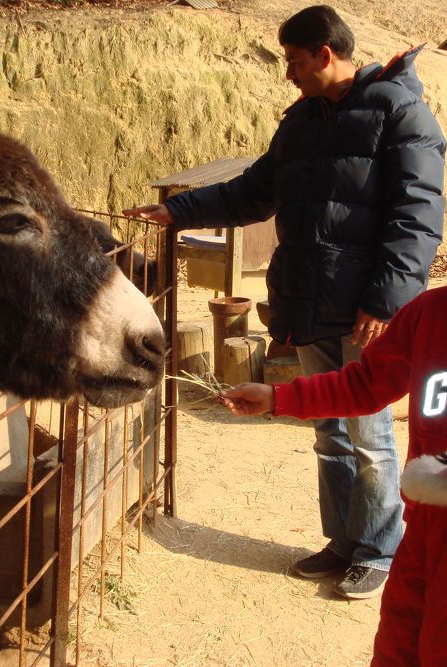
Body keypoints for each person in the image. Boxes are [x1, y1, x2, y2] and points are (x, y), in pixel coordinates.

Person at [123, 5, 445, 599]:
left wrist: (387, 299)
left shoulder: (400, 110)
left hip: (366, 310)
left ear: (325, 53)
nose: (289, 74)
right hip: (310, 299)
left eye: (295, 62)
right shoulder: (301, 122)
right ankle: (343, 542)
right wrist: (179, 211)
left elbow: (419, 215)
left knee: (369, 434)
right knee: (329, 429)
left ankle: (378, 548)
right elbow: (254, 191)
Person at [218, 285, 447, 666]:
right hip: (425, 530)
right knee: (399, 643)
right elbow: (364, 382)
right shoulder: (432, 312)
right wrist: (279, 397)